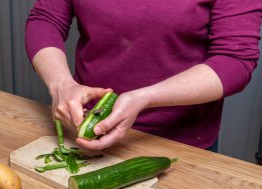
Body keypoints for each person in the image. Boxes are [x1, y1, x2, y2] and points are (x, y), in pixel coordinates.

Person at [25, 0, 262, 151]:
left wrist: (144, 97)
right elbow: (45, 19)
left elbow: (235, 60)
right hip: (84, 129)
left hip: (178, 144)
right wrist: (62, 86)